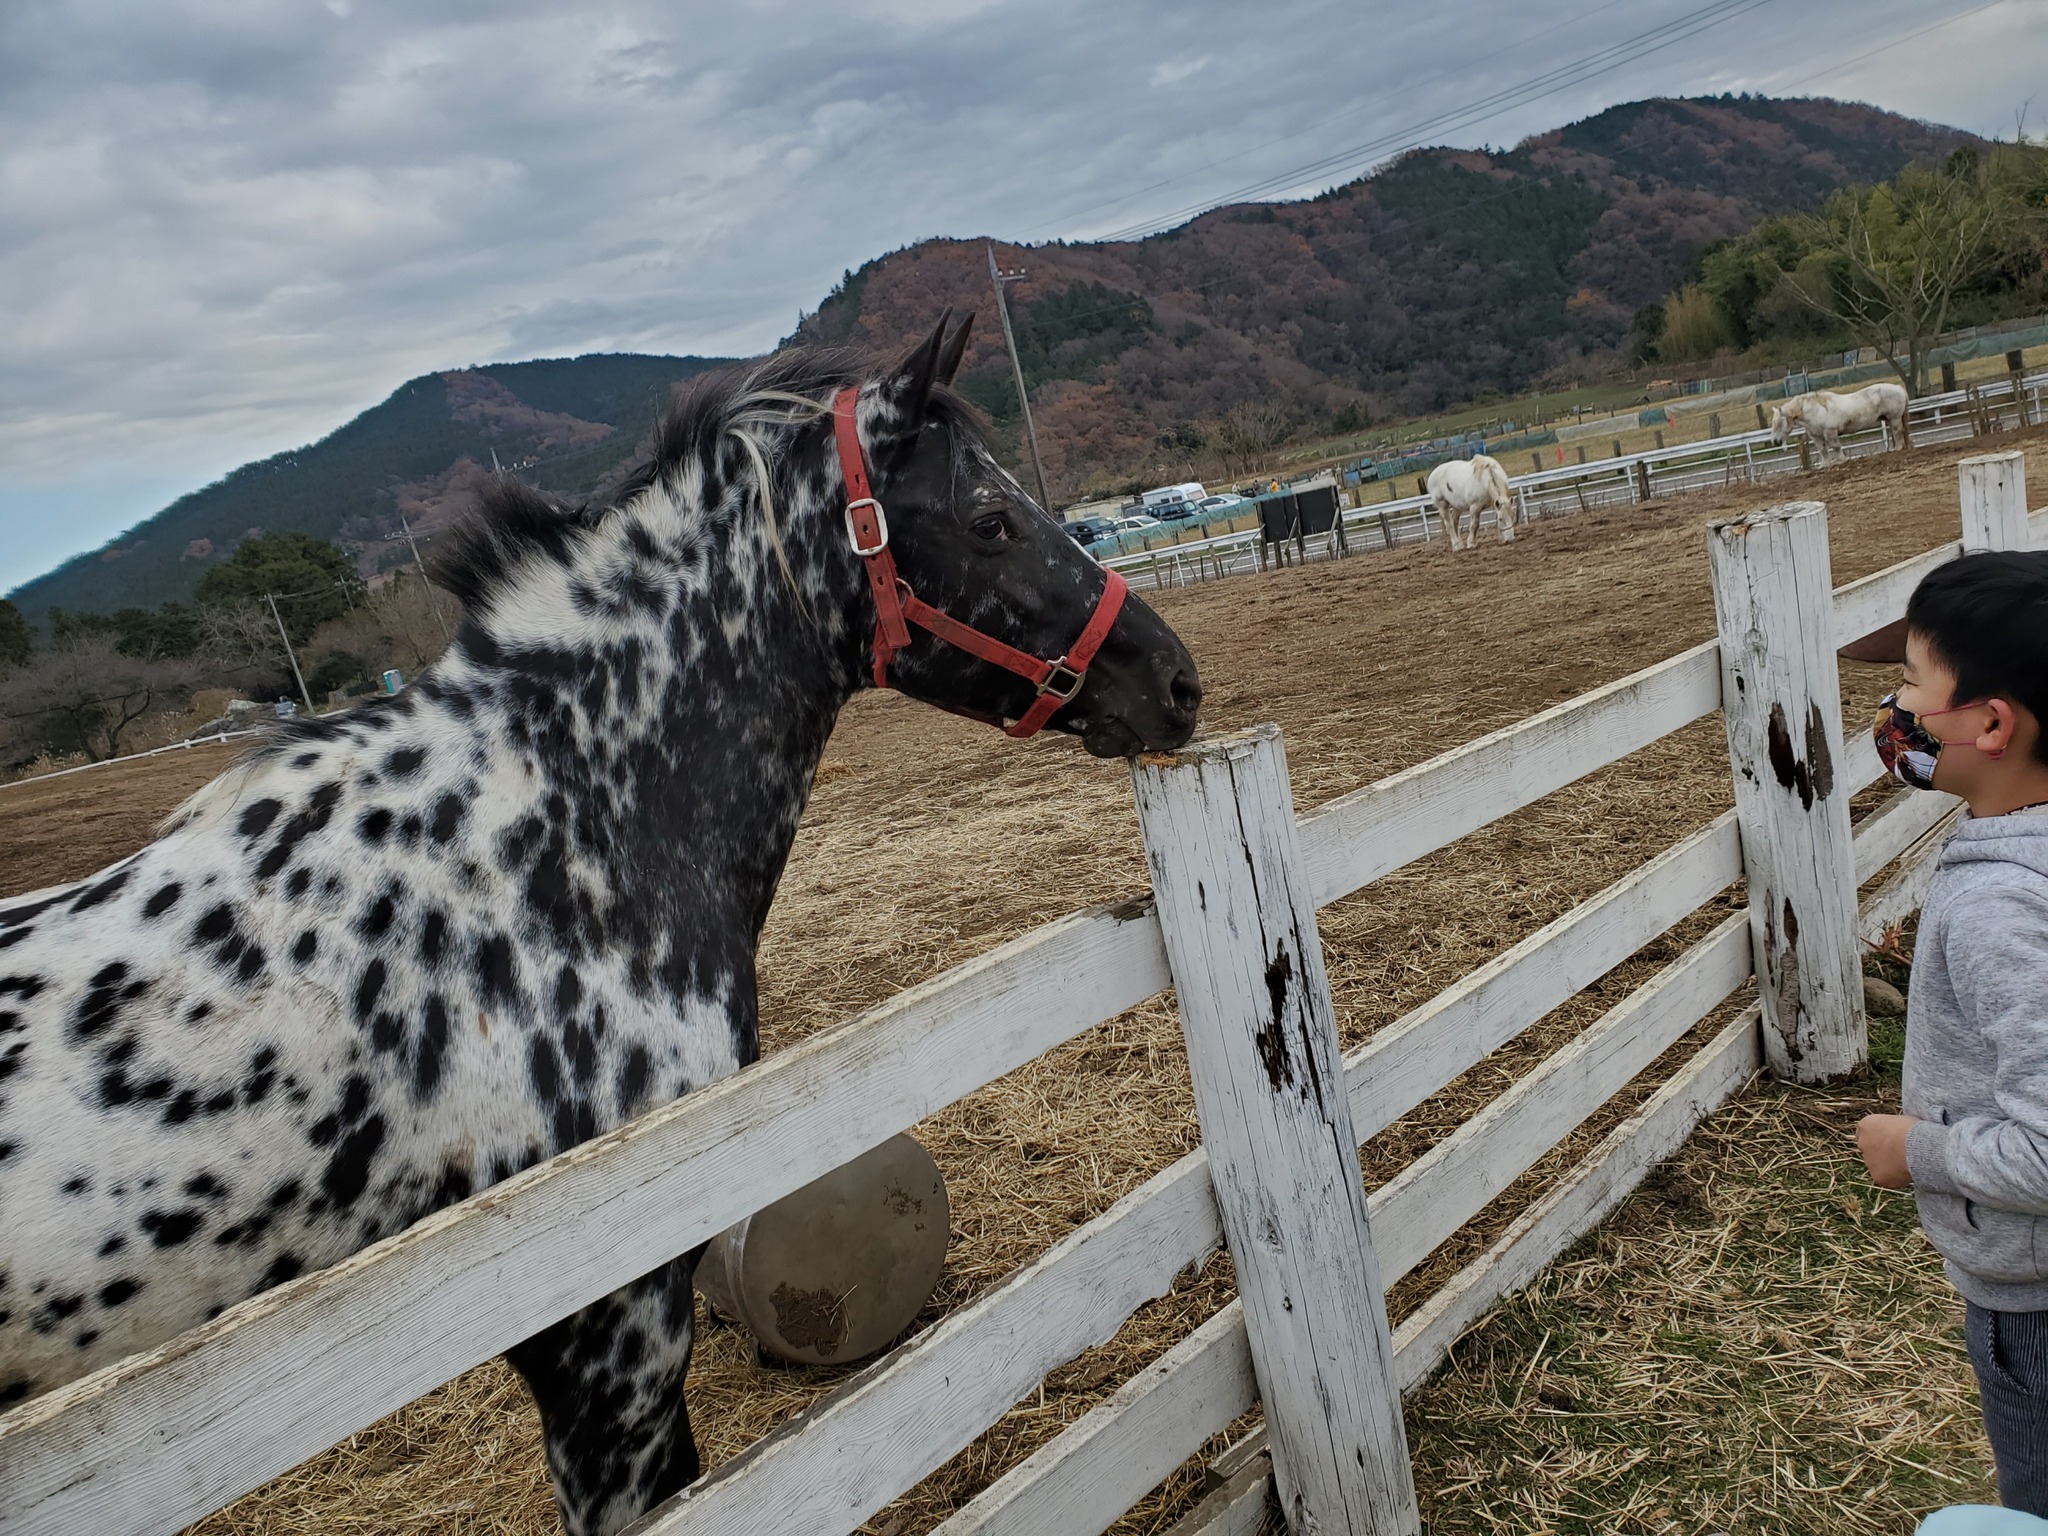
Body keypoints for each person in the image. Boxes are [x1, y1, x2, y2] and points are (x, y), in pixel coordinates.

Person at [1855, 550, 2048, 1514]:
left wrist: (1917, 1151)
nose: (1894, 715)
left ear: (1990, 723)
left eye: (1911, 686)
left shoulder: (1998, 911)